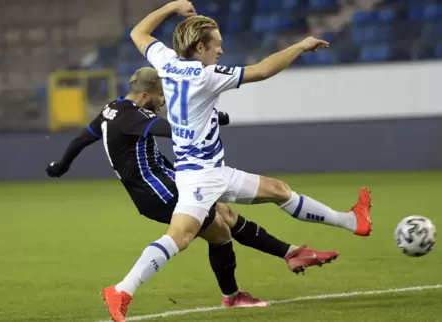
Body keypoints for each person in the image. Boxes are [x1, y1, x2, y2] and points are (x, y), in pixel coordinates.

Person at [102, 1, 372, 320]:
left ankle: (352, 221)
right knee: (180, 237)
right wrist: (300, 45)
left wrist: (172, 6)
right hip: (201, 177)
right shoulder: (206, 76)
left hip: (209, 171)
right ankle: (122, 290)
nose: (220, 50)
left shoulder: (166, 62)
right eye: (216, 44)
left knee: (278, 190)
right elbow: (263, 70)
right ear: (199, 46)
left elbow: (139, 32)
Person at [46, 67, 339, 322]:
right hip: (157, 189)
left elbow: (81, 138)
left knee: (223, 220)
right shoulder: (135, 116)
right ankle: (123, 290)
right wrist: (212, 118)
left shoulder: (112, 109)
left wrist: (61, 166)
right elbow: (174, 129)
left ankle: (274, 266)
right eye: (161, 96)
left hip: (166, 182)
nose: (163, 102)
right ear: (146, 95)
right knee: (203, 230)